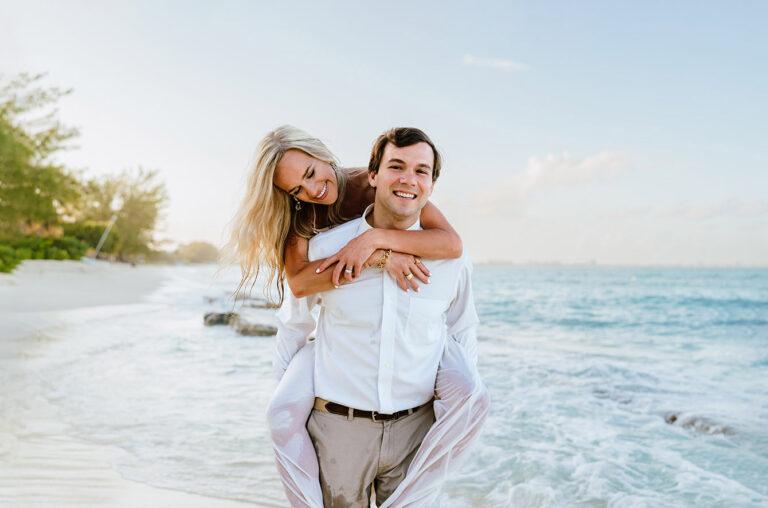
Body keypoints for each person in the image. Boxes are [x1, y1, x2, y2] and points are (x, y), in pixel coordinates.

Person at [226, 126, 489, 506]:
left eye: (313, 173)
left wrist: (371, 241)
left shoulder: (382, 184)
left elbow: (452, 247)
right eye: (297, 188)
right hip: (340, 415)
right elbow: (298, 294)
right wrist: (377, 256)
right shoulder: (304, 224)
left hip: (413, 411)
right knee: (281, 414)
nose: (314, 189)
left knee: (473, 396)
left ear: (323, 155)